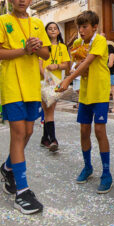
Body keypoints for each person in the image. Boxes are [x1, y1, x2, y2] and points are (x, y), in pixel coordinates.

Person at [0, 0, 50, 214]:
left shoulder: (37, 23)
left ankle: (8, 167)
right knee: (18, 133)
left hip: (32, 85)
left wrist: (36, 47)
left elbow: (46, 53)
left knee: (29, 132)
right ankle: (22, 192)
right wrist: (23, 50)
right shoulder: (1, 22)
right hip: (13, 85)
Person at [58, 12, 113, 193]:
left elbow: (87, 63)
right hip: (85, 93)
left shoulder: (99, 41)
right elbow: (76, 63)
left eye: (85, 27)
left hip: (100, 92)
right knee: (83, 130)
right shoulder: (77, 43)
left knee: (99, 130)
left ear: (95, 27)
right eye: (79, 27)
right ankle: (88, 166)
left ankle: (106, 173)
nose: (81, 31)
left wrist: (67, 80)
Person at [40, 22, 70, 150]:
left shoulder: (62, 47)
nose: (53, 30)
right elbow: (39, 64)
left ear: (58, 31)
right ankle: (52, 139)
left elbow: (66, 65)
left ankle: (46, 138)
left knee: (50, 110)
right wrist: (46, 76)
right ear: (46, 32)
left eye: (55, 28)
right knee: (48, 110)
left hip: (57, 82)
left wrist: (56, 66)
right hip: (43, 82)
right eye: (50, 29)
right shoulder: (43, 47)